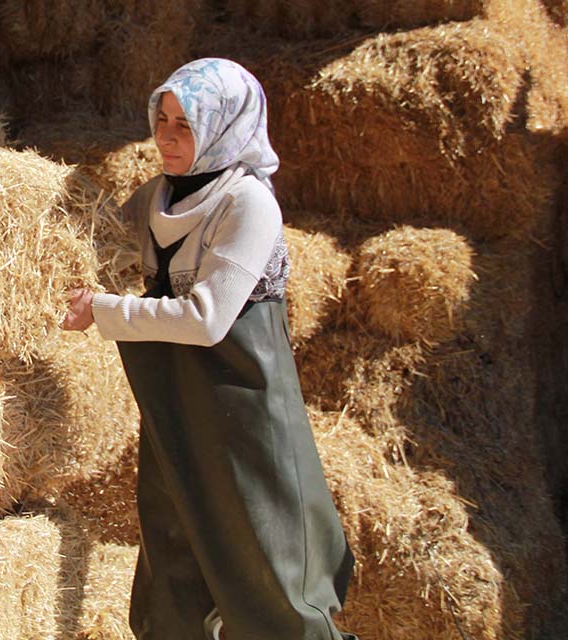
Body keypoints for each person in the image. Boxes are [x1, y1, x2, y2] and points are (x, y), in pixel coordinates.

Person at [62, 58, 356, 640]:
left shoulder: (247, 204)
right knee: (174, 545)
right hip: (175, 400)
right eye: (162, 119)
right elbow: (95, 248)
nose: (167, 138)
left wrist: (101, 310)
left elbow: (207, 319)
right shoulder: (154, 199)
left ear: (224, 125)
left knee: (266, 555)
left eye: (187, 124)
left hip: (242, 404)